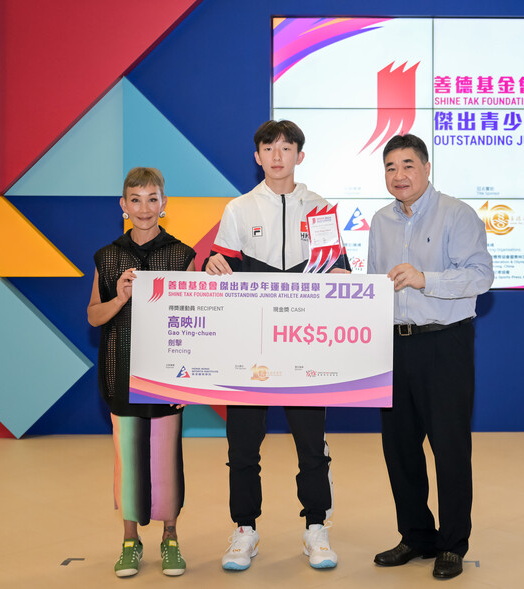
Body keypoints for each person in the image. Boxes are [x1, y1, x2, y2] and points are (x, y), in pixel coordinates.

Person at [205, 120, 349, 571]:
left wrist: (343, 274)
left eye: (287, 148)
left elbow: (338, 265)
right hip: (250, 346)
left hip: (303, 346)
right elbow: (221, 262)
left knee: (312, 443)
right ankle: (245, 530)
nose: (277, 155)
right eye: (269, 147)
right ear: (257, 156)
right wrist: (213, 264)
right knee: (243, 444)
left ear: (300, 156)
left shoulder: (320, 207)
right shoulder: (239, 209)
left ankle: (316, 528)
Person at [368, 134, 494, 579]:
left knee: (449, 448)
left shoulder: (457, 214)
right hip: (394, 344)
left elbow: (481, 276)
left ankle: (452, 543)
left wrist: (426, 279)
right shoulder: (380, 221)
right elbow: (375, 286)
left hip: (444, 344)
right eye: (390, 167)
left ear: (425, 167)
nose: (398, 175)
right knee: (399, 448)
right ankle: (416, 535)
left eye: (407, 165)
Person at [87, 167, 196, 578]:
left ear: (164, 204)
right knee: (127, 462)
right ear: (123, 205)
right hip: (120, 373)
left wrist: (187, 378)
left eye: (153, 198)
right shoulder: (107, 256)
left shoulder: (183, 256)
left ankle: (170, 538)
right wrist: (120, 298)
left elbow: (193, 319)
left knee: (166, 461)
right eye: (136, 199)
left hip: (166, 377)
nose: (145, 207)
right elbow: (94, 316)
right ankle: (130, 541)